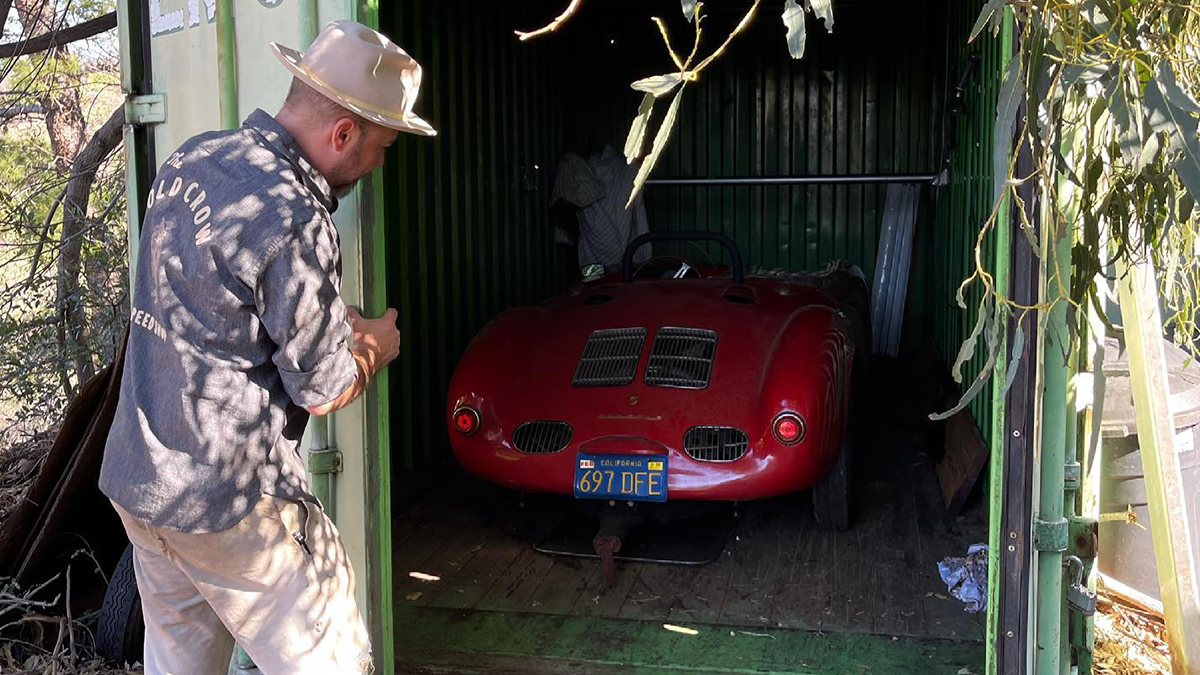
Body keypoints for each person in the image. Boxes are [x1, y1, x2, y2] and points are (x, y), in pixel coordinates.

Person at [98, 20, 435, 675]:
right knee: (333, 662)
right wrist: (375, 345)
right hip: (228, 503)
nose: (381, 164)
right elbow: (323, 390)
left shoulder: (192, 158)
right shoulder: (296, 218)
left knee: (178, 665)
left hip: (141, 480)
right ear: (344, 135)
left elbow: (216, 307)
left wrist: (323, 327)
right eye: (383, 147)